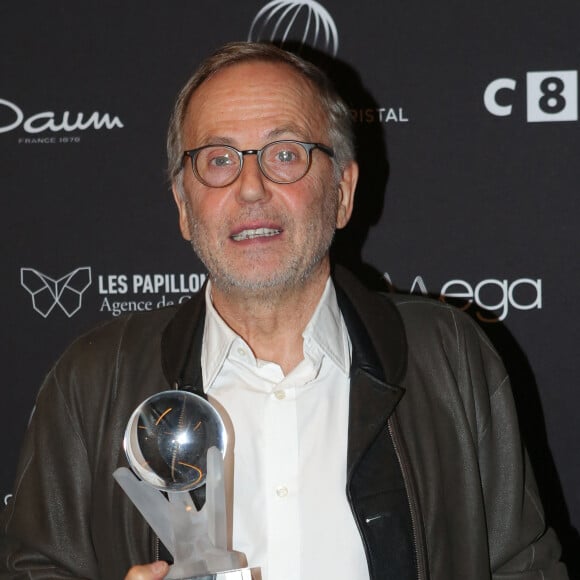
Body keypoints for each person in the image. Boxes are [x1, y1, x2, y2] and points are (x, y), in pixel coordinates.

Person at [0, 42, 568, 580]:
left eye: (285, 154)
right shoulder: (93, 381)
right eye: (218, 159)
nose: (251, 187)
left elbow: (525, 568)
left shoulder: (450, 360)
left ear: (342, 192)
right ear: (182, 205)